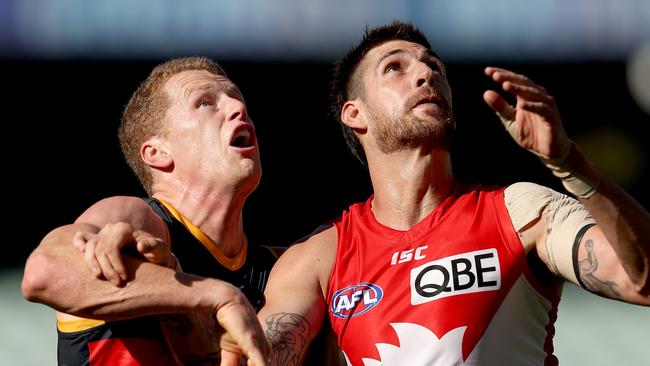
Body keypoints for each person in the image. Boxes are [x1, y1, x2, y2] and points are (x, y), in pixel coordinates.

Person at [256, 21, 650, 365]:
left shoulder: (520, 211)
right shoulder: (321, 256)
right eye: (395, 67)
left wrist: (570, 163)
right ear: (354, 113)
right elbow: (263, 353)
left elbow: (642, 281)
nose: (426, 76)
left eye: (435, 68)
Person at [21, 56, 275, 365]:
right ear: (157, 153)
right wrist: (219, 296)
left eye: (237, 99)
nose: (238, 109)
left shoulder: (281, 268)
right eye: (206, 103)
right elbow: (43, 273)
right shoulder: (140, 220)